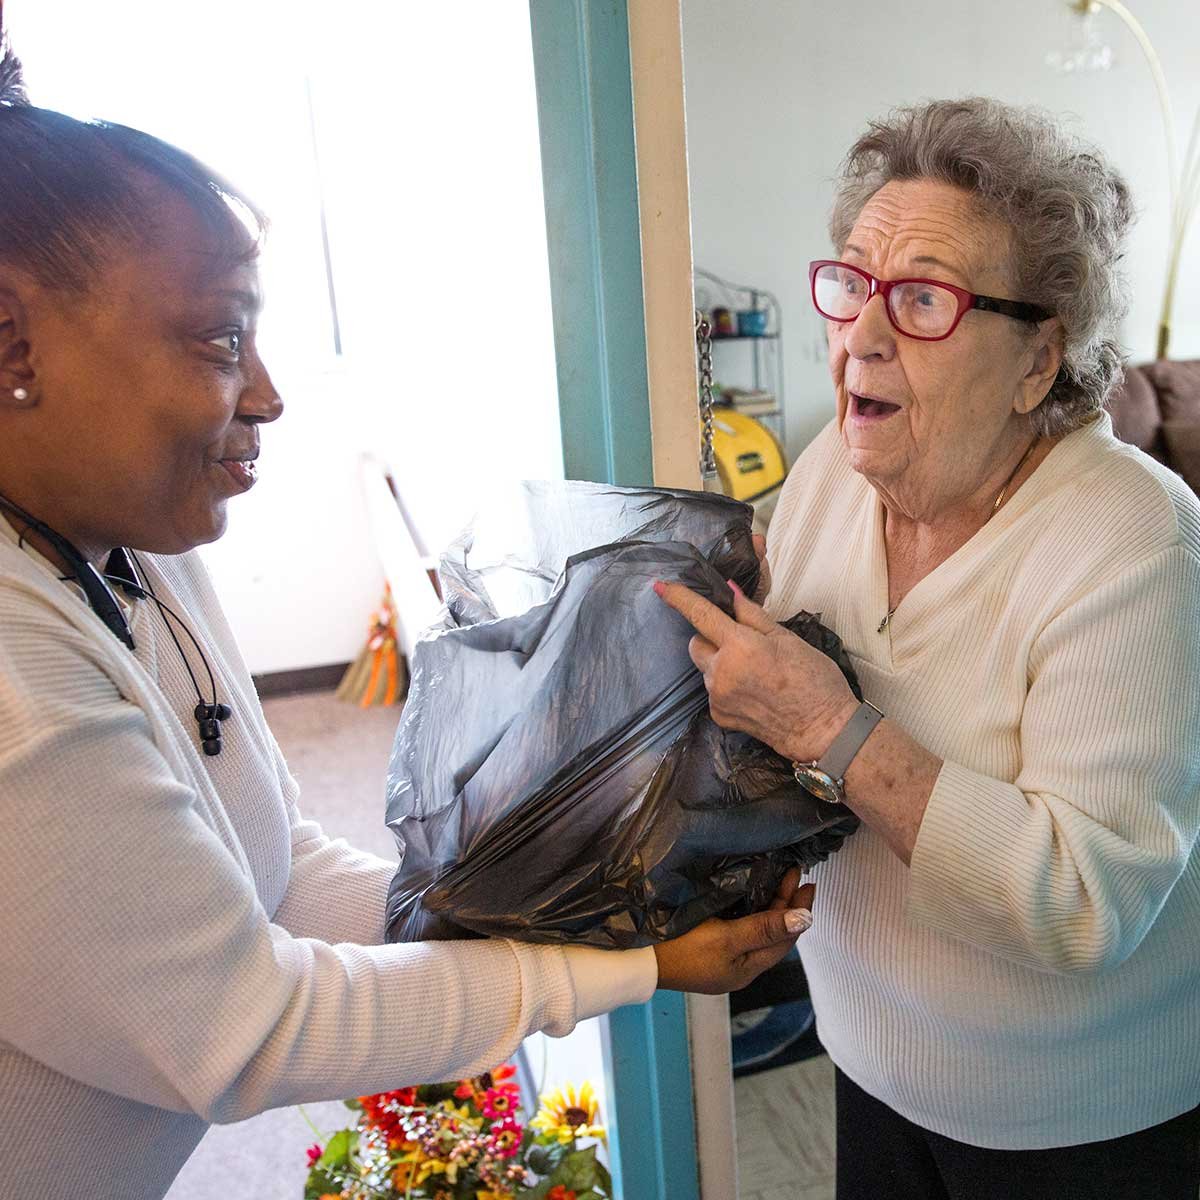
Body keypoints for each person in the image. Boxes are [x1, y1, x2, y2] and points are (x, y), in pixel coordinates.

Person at [0, 47, 816, 1200]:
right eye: (220, 337)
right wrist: (624, 970)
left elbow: (274, 868)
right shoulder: (17, 689)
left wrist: (560, 903)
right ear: (10, 342)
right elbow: (252, 1029)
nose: (271, 392)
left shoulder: (135, 552)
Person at [657, 97, 1200, 1198]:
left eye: (921, 299)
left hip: (1077, 1125)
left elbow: (1086, 901)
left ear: (1038, 358)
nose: (860, 332)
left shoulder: (1135, 541)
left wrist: (824, 724)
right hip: (874, 1060)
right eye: (853, 282)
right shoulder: (829, 472)